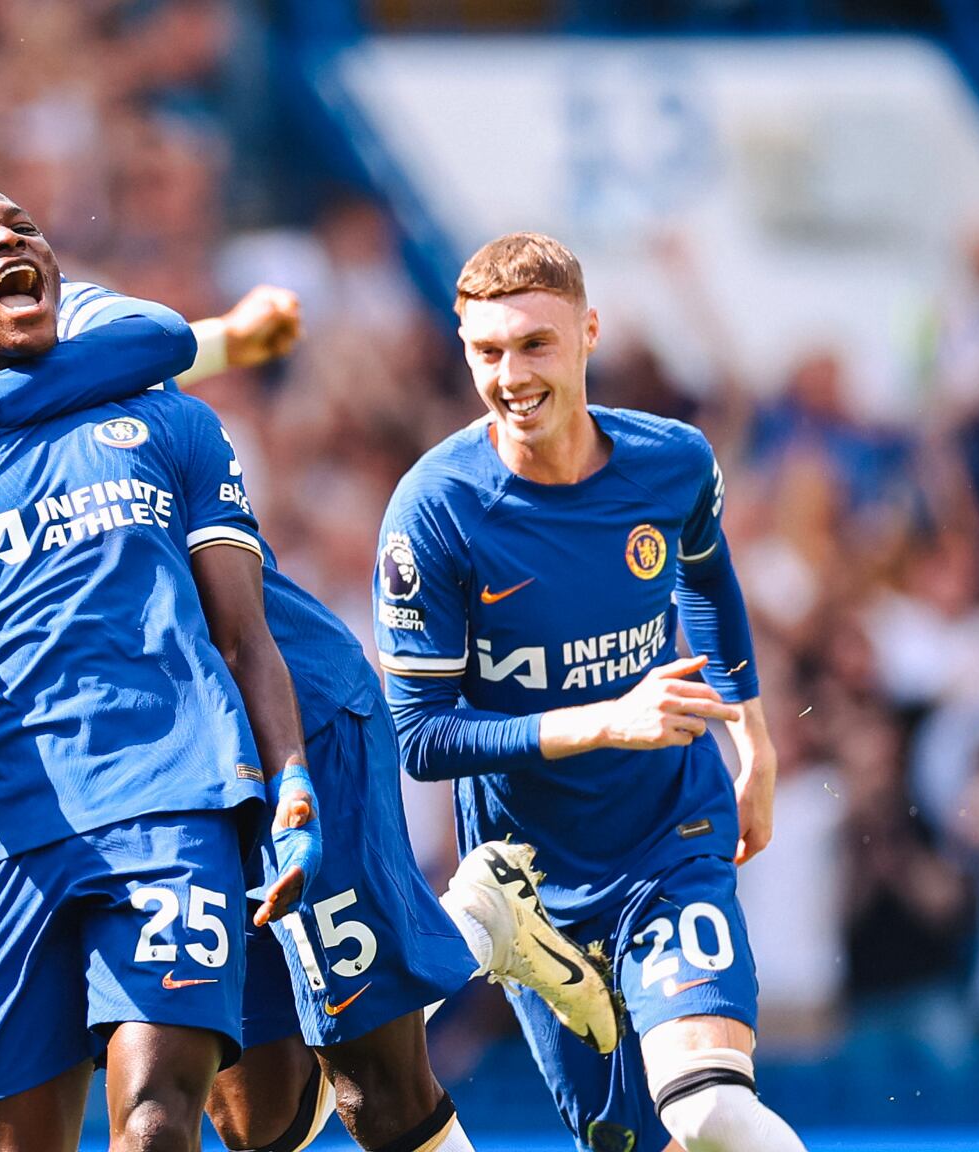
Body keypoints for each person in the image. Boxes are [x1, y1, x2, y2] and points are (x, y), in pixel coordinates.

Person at [0, 163, 615, 1152]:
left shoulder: (75, 330)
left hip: (286, 705)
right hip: (122, 765)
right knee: (256, 1119)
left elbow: (158, 338)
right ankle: (452, 932)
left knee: (371, 1079)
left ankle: (475, 924)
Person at [0, 180, 323, 1152]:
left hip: (170, 805)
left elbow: (243, 635)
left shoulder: (166, 421)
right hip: (1, 832)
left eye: (20, 228)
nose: (5, 242)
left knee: (153, 1123)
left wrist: (292, 781)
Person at [375, 232, 808, 1152]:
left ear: (589, 333)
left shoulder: (672, 461)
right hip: (531, 888)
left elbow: (706, 577)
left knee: (712, 1111)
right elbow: (421, 736)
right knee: (639, 1143)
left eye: (535, 344)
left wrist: (755, 743)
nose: (512, 376)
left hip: (668, 837)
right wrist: (606, 720)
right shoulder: (435, 509)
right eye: (488, 351)